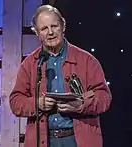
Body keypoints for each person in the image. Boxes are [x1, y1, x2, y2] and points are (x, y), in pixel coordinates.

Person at [9, 4, 112, 147]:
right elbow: (16, 102)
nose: (50, 32)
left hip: (78, 140)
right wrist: (37, 103)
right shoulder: (30, 64)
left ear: (63, 26)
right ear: (37, 33)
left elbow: (104, 98)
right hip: (44, 140)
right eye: (44, 29)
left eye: (54, 26)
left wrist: (81, 104)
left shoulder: (87, 60)